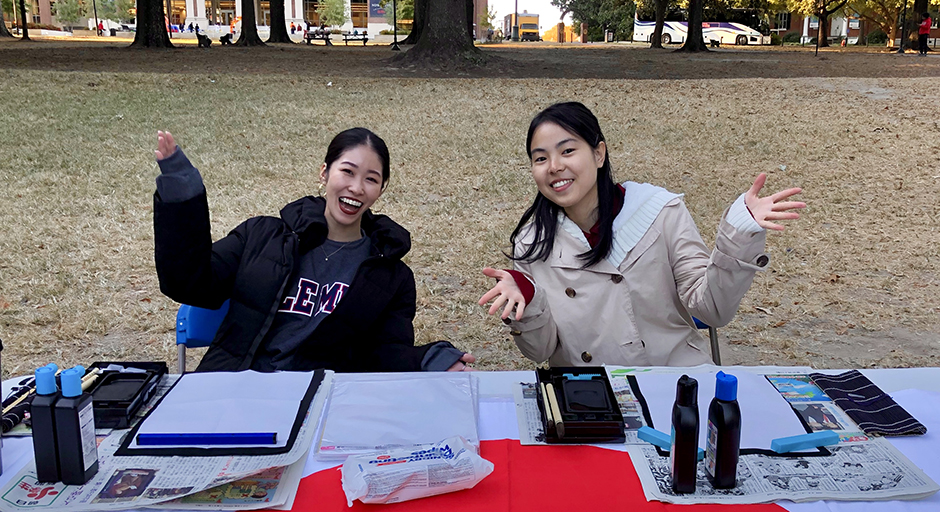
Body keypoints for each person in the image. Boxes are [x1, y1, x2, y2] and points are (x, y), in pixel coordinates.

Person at [478, 102, 805, 367]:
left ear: (599, 154)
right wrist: (528, 299)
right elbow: (540, 351)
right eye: (540, 158)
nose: (553, 167)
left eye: (567, 151)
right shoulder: (532, 242)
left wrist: (739, 231)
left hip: (674, 386)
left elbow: (713, 310)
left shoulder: (658, 211)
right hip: (589, 400)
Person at [153, 128, 474, 373]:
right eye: (347, 171)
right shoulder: (261, 235)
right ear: (325, 173)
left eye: (371, 179)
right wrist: (182, 187)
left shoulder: (391, 275)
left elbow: (384, 354)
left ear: (381, 188)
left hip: (322, 402)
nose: (356, 187)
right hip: (236, 390)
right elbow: (187, 282)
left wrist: (432, 359)